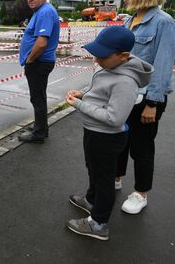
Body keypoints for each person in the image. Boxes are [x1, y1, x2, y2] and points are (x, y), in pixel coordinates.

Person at [66, 25, 153, 240]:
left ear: (123, 56)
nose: (96, 60)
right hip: (94, 131)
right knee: (93, 170)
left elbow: (115, 118)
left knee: (104, 179)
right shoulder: (109, 66)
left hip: (107, 136)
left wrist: (79, 105)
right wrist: (83, 93)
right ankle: (91, 200)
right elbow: (98, 88)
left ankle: (99, 223)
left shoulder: (126, 81)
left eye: (102, 56)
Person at [115, 0, 175, 214]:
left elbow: (162, 67)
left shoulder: (164, 23)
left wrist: (153, 102)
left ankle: (140, 193)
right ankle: (115, 177)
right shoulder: (128, 21)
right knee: (119, 140)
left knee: (141, 147)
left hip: (146, 97)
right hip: (124, 93)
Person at [18, 0, 60, 143]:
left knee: (37, 98)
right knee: (39, 97)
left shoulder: (45, 12)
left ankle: (38, 134)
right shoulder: (41, 12)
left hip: (39, 62)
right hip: (39, 62)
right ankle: (41, 127)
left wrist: (30, 60)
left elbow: (42, 43)